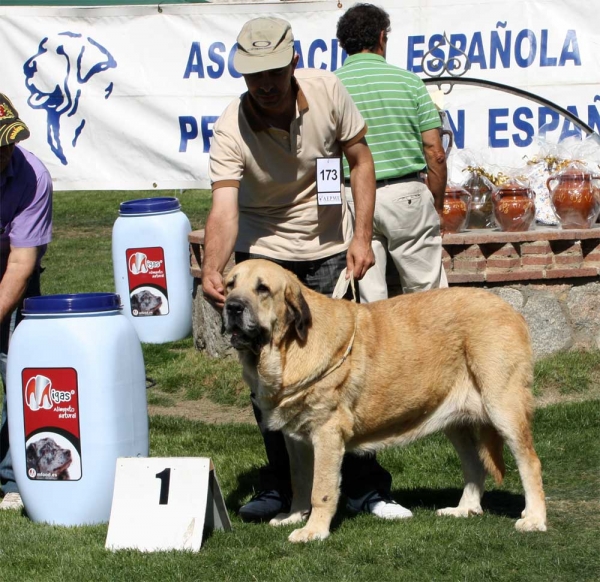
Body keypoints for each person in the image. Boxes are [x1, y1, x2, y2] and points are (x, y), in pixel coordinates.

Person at [202, 16, 412, 523]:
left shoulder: (329, 91)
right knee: (267, 379)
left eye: (274, 71)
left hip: (327, 249)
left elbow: (361, 162)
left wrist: (361, 237)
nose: (265, 84)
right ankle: (283, 489)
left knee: (346, 372)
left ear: (294, 61)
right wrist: (213, 265)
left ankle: (366, 488)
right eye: (254, 76)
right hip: (265, 255)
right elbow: (225, 207)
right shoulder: (230, 125)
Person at [335, 3, 448, 301]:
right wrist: (436, 204)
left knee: (369, 302)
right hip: (405, 195)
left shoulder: (330, 86)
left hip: (350, 197)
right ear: (382, 37)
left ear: (343, 44)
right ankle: (432, 349)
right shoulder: (409, 83)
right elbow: (435, 152)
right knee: (428, 298)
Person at [0, 93, 53, 510]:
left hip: (11, 268)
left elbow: (21, 261)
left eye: (9, 143)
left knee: (16, 371)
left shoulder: (32, 175)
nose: (6, 154)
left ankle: (11, 477)